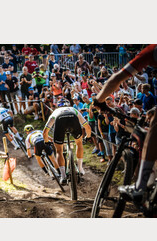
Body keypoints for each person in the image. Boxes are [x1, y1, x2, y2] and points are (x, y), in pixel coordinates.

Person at [94, 44, 157, 202]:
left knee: (153, 127)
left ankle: (140, 187)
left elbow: (116, 79)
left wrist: (98, 100)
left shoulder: (152, 50)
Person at [43, 100, 91, 185]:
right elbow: (87, 126)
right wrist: (88, 137)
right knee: (79, 143)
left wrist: (46, 141)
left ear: (59, 106)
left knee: (59, 150)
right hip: (73, 119)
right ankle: (80, 169)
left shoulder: (55, 112)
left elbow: (45, 131)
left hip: (59, 121)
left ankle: (63, 176)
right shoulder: (74, 109)